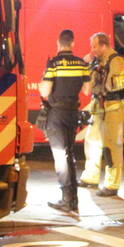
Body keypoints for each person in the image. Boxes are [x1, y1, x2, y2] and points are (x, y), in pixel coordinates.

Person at [38, 29, 91, 214]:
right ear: (73, 43)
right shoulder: (81, 64)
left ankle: (67, 200)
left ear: (58, 43)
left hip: (57, 114)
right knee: (69, 153)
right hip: (72, 112)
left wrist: (41, 85)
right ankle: (72, 199)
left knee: (61, 156)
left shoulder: (54, 64)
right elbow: (87, 90)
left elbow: (45, 92)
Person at [79, 31, 124, 197]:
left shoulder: (116, 61)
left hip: (113, 107)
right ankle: (91, 177)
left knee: (112, 146)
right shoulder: (97, 61)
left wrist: (107, 81)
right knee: (92, 141)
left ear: (103, 45)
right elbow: (89, 86)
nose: (92, 49)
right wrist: (86, 64)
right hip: (98, 106)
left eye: (95, 46)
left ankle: (112, 184)